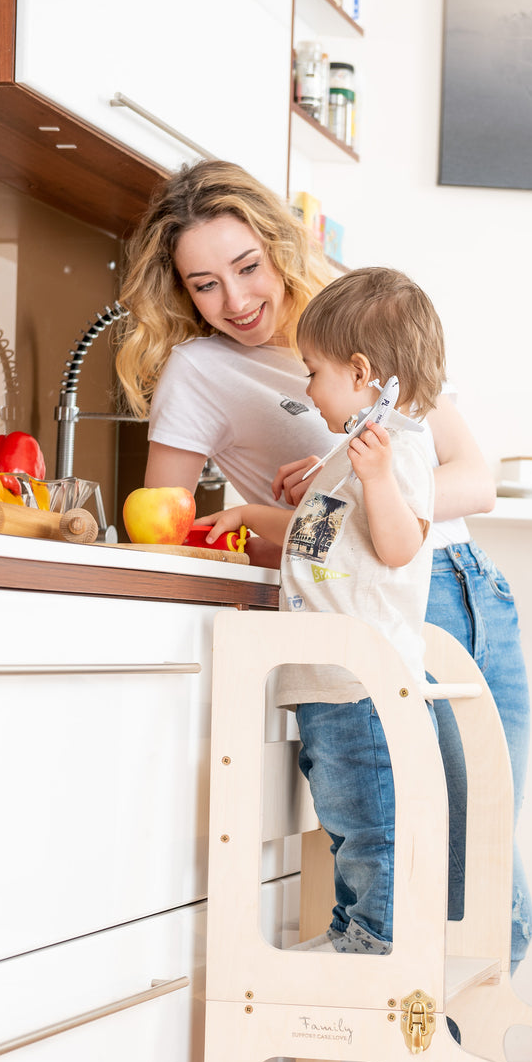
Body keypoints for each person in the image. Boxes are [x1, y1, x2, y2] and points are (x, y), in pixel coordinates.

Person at [116, 159, 532, 970]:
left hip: (472, 591)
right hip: (388, 610)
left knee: (486, 861)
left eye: (246, 267)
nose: (235, 300)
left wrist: (348, 482)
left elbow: (475, 479)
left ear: (278, 248)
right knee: (467, 894)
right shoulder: (199, 372)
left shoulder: (350, 328)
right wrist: (339, 501)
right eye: (203, 284)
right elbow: (166, 527)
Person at [202, 266, 440, 952]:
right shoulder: (354, 454)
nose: (307, 388)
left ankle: (378, 939)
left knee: (372, 826)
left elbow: (399, 548)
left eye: (313, 371)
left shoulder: (399, 453)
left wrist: (372, 475)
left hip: (360, 686)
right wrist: (260, 513)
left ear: (361, 373)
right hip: (331, 685)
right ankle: (355, 926)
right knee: (346, 819)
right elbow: (328, 544)